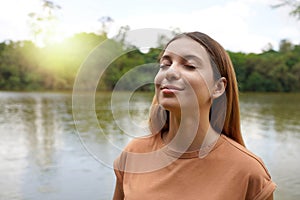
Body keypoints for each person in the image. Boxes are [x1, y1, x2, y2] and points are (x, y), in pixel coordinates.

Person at [112, 32, 276, 200]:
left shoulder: (249, 172)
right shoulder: (134, 153)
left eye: (189, 65)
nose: (170, 72)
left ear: (218, 88)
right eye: (165, 65)